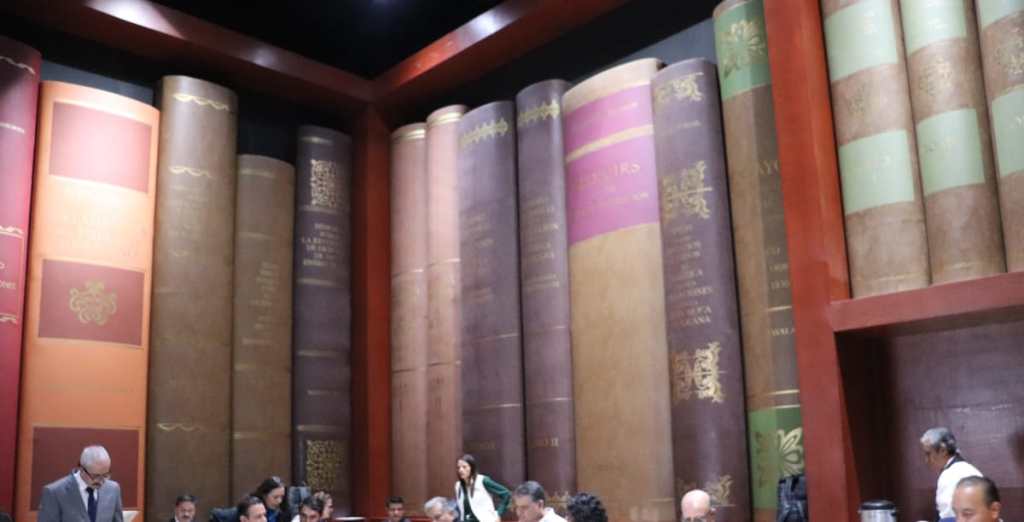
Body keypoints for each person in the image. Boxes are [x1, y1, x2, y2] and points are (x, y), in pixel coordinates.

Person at [38, 445, 125, 522]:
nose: (101, 481)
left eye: (105, 475)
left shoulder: (113, 489)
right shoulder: (54, 493)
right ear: (82, 470)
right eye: (96, 476)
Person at [921, 427, 983, 522]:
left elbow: (949, 519)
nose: (926, 460)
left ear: (943, 450)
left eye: (928, 454)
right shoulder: (967, 469)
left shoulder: (950, 476)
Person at [454, 454, 511, 522]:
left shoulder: (482, 481)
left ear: (472, 467)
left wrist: (498, 513)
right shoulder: (458, 486)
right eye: (458, 467)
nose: (460, 470)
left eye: (464, 467)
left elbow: (506, 494)